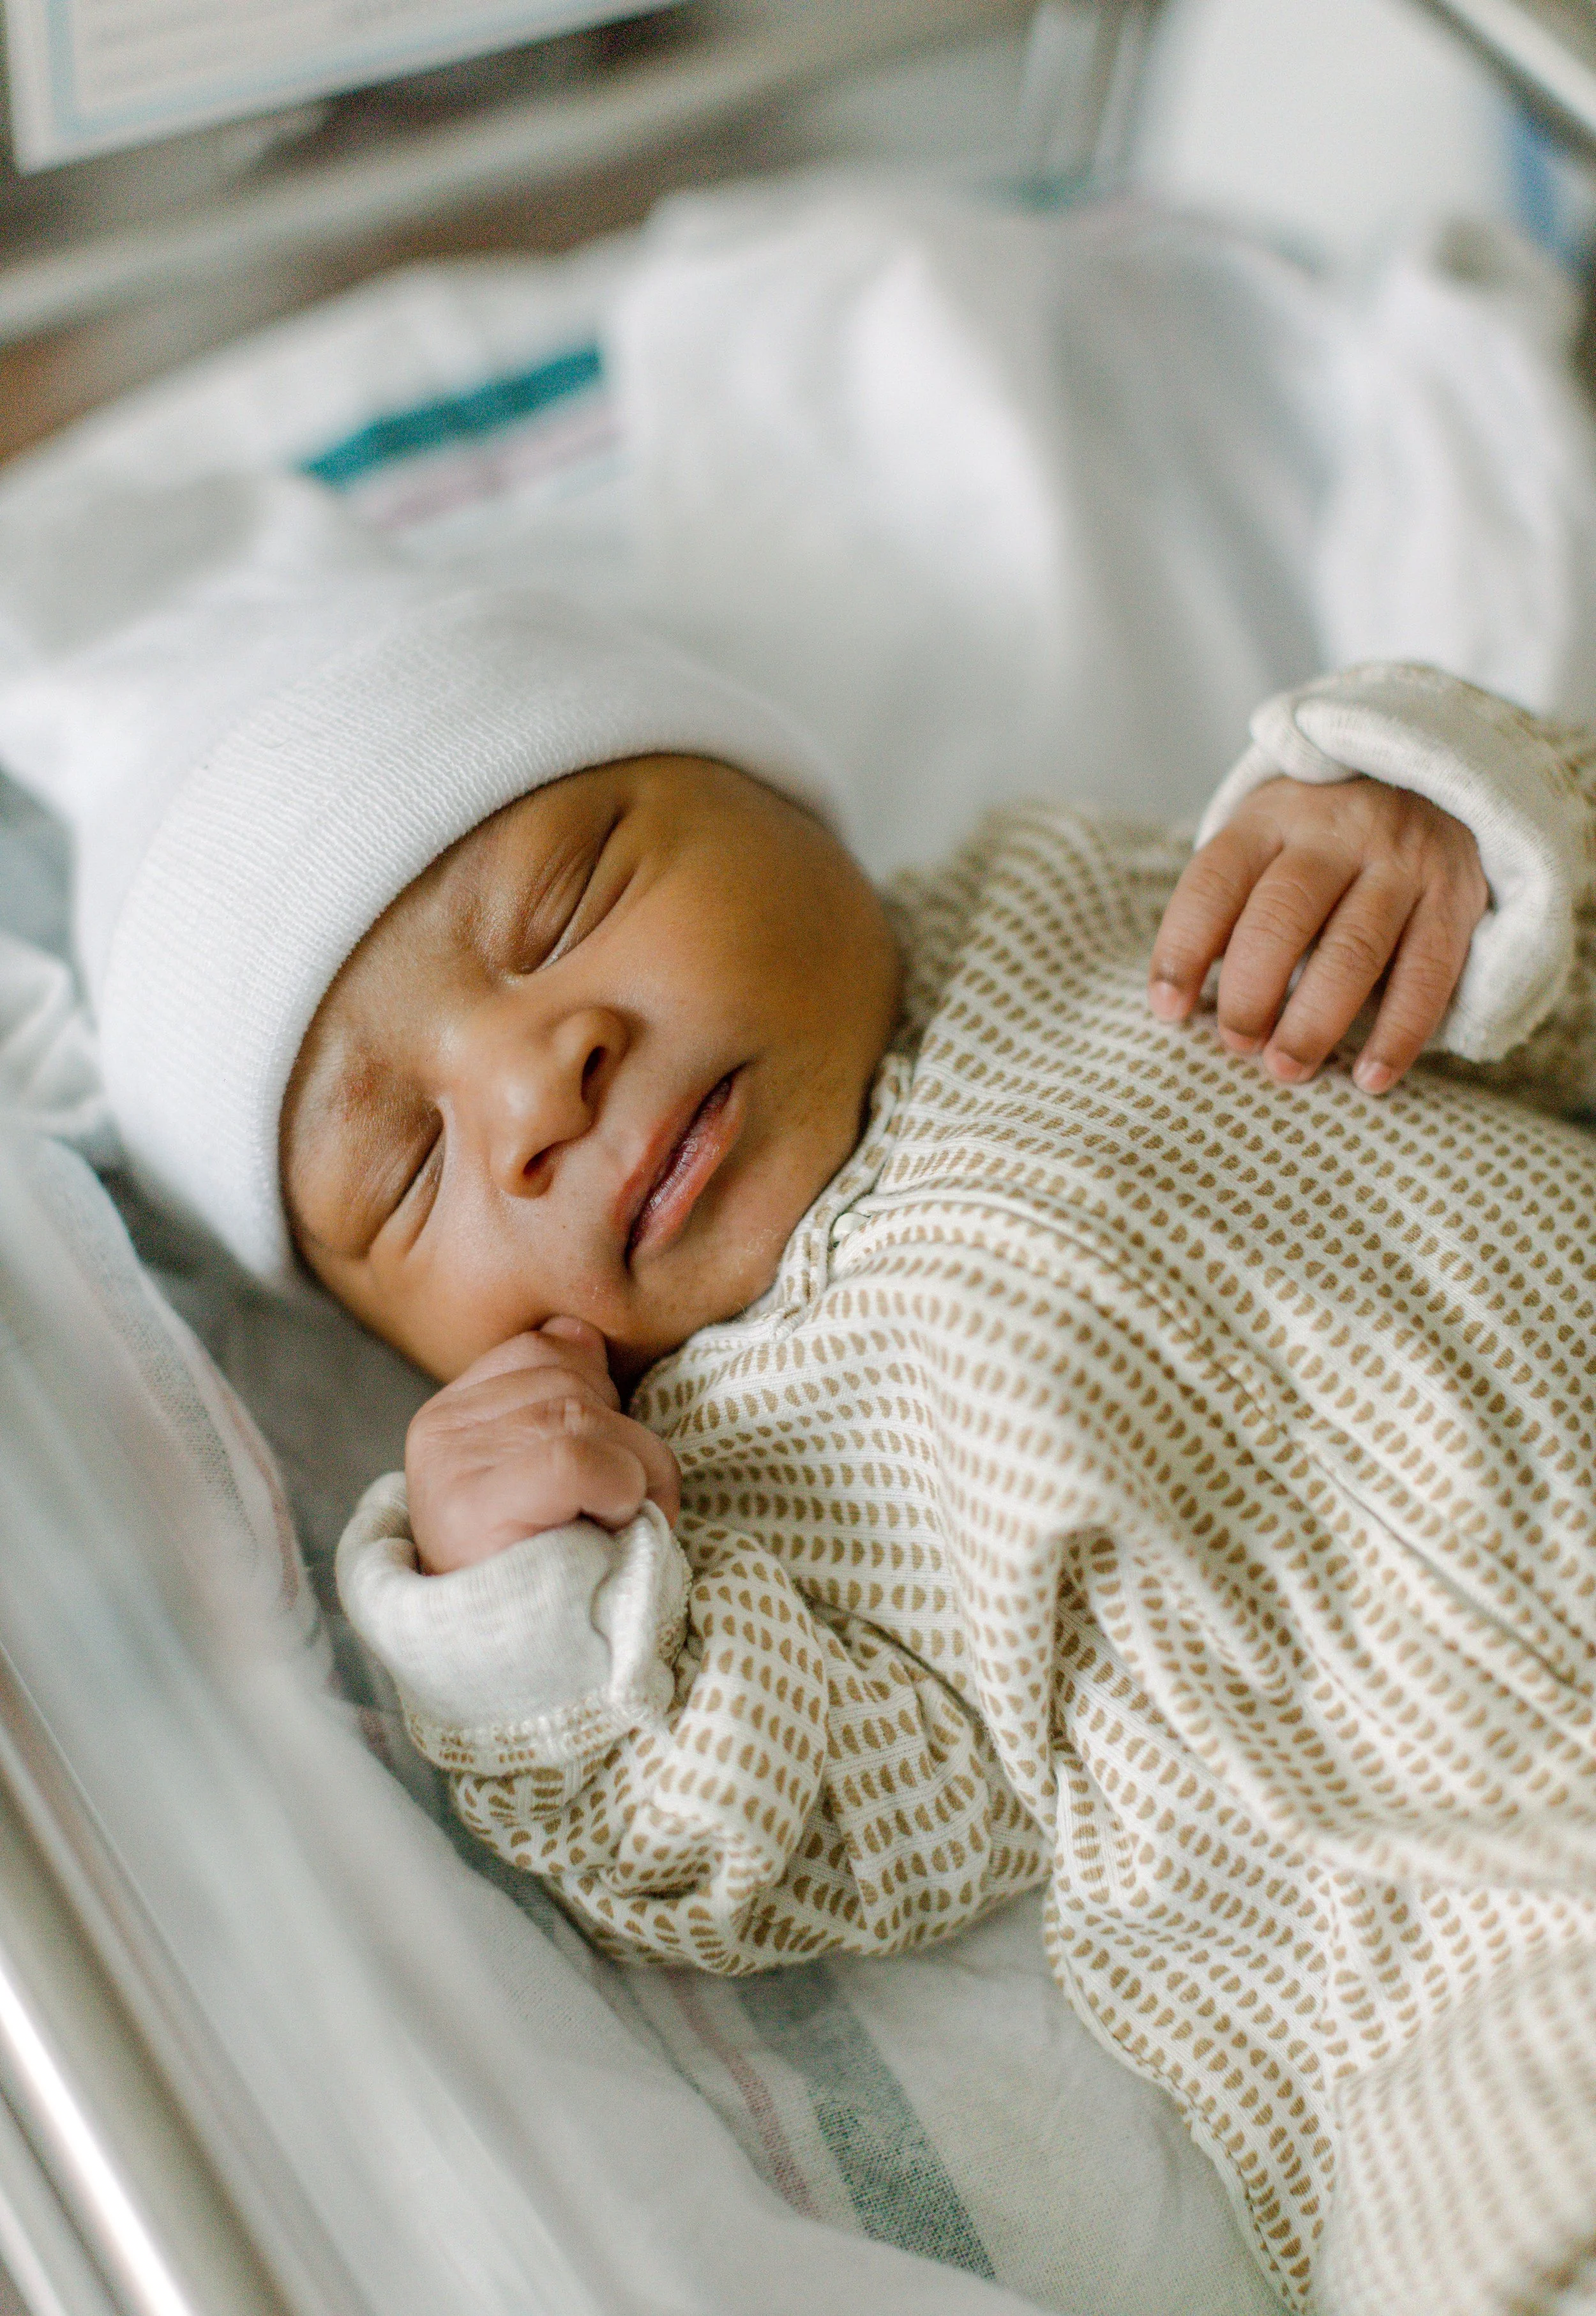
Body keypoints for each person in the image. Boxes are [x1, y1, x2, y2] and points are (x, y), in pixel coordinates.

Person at [11, 481, 1596, 2309]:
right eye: (409, 1169)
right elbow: (793, 1834)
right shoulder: (733, 1487)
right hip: (1465, 1992)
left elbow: (1546, 997)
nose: (534, 1089)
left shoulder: (1107, 902)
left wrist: (1429, 827)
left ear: (784, 800)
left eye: (565, 906)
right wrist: (529, 1614)